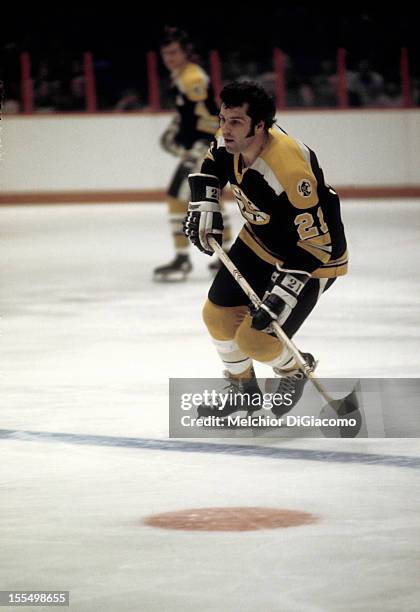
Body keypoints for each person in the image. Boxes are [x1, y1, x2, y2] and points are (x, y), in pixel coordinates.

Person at [184, 81, 348, 417]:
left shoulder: (287, 168)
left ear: (260, 126)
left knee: (256, 341)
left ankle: (294, 370)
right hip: (260, 240)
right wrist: (206, 202)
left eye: (236, 122)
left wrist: (282, 293)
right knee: (216, 315)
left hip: (311, 258)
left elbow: (317, 242)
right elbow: (211, 164)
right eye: (223, 119)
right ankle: (243, 394)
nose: (225, 130)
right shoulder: (229, 138)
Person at [153, 26, 231, 282]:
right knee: (211, 199)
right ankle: (226, 258)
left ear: (186, 52)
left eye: (174, 52)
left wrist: (199, 145)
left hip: (204, 145)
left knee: (178, 197)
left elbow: (209, 114)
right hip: (205, 144)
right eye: (166, 54)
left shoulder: (191, 79)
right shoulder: (183, 76)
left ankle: (184, 258)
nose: (169, 58)